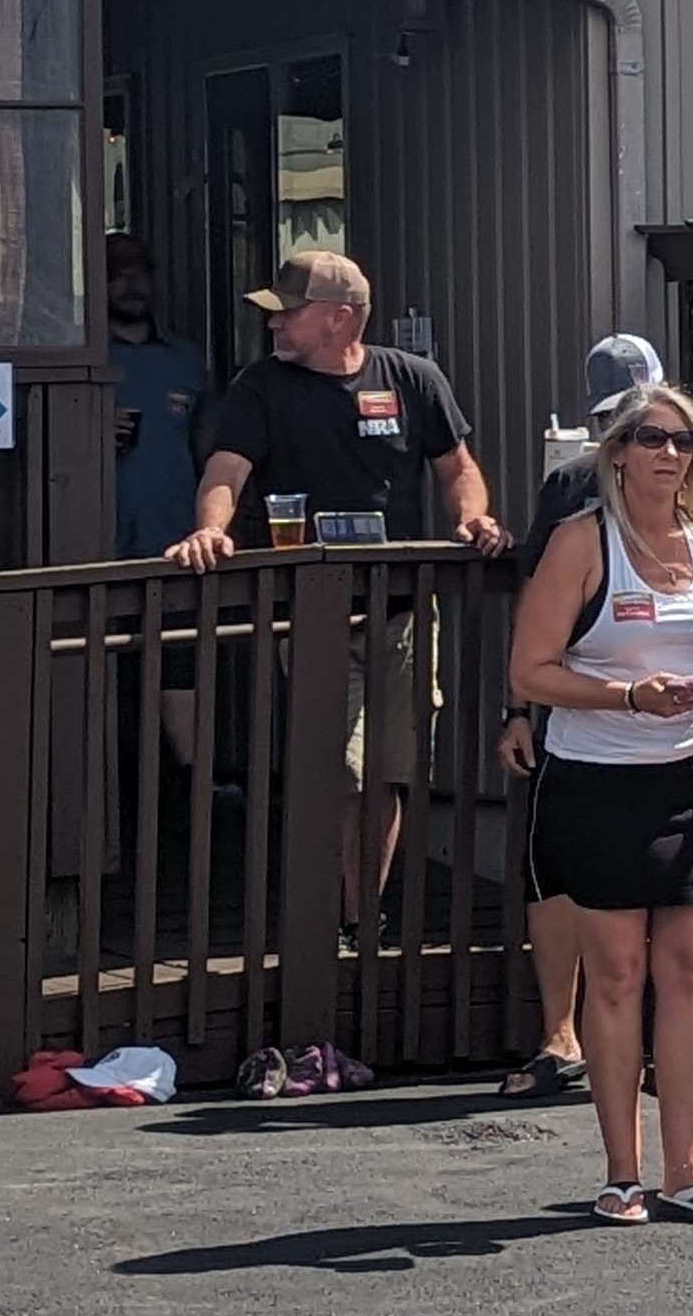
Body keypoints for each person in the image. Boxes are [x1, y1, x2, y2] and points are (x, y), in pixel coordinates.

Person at [510, 384, 693, 1225]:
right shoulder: (580, 542)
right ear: (617, 453)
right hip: (598, 779)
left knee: (691, 973)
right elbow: (531, 672)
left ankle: (688, 1167)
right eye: (650, 438)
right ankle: (621, 1171)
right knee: (619, 973)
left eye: (685, 442)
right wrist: (633, 696)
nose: (669, 454)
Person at [168, 251, 508, 922]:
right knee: (339, 770)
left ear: (338, 318)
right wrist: (210, 530)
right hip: (316, 610)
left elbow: (456, 467)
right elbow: (226, 471)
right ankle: (329, 918)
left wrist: (472, 518)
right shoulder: (260, 386)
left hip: (404, 610)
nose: (275, 327)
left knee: (388, 770)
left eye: (288, 314)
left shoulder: (412, 378)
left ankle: (362, 917)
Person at [104, 235, 216, 568]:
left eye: (140, 272)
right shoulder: (82, 357)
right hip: (99, 542)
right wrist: (90, 429)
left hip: (177, 544)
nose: (131, 283)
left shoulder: (186, 360)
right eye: (117, 273)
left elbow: (210, 453)